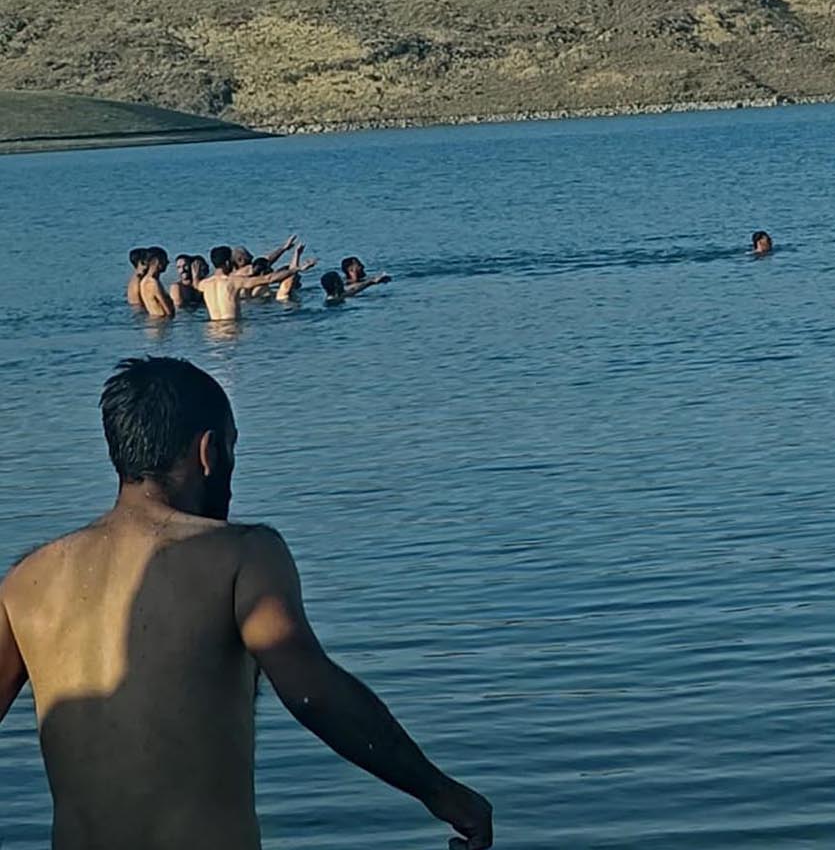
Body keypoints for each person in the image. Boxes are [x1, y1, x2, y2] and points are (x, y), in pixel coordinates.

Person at [0, 357, 492, 850]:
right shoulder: (242, 555)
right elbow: (313, 694)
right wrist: (442, 794)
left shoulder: (27, 581)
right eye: (232, 447)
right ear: (209, 451)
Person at [199, 246, 305, 322]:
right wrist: (298, 268)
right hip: (232, 327)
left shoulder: (204, 284)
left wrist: (195, 275)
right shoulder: (234, 281)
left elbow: (194, 284)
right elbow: (269, 278)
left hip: (213, 331)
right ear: (227, 263)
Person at [138, 248, 176, 319]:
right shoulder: (153, 283)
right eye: (165, 260)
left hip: (153, 320)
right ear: (157, 261)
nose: (167, 262)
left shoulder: (143, 281)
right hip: (162, 323)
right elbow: (168, 311)